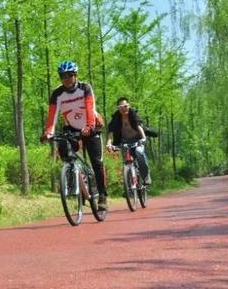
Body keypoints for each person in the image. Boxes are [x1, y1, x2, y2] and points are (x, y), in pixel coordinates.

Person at [41, 61, 107, 210]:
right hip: (71, 128)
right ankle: (75, 180)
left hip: (91, 127)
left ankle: (102, 196)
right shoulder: (57, 94)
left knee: (97, 163)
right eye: (63, 76)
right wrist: (48, 132)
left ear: (75, 75)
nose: (66, 78)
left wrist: (89, 126)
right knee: (64, 149)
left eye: (70, 75)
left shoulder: (85, 88)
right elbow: (52, 115)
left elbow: (90, 107)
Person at [105, 97, 151, 185]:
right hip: (124, 142)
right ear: (118, 108)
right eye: (121, 107)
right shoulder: (116, 118)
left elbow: (138, 126)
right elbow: (111, 131)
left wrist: (143, 138)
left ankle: (146, 177)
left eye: (126, 106)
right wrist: (108, 143)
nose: (124, 108)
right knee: (126, 161)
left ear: (129, 106)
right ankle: (128, 185)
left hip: (137, 140)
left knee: (139, 152)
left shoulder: (132, 114)